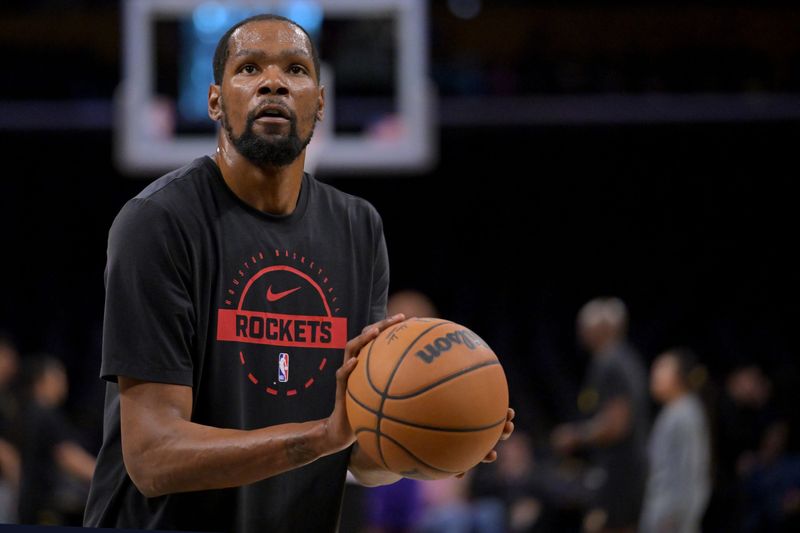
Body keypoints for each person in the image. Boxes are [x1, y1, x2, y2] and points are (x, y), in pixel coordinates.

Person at [84, 15, 513, 533]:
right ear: (215, 101)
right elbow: (153, 457)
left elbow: (358, 454)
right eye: (249, 68)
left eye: (295, 68)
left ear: (321, 102)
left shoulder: (358, 227)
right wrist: (320, 438)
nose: (274, 82)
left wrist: (442, 436)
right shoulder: (159, 221)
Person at [551, 297, 648, 533]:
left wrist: (574, 436)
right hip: (631, 468)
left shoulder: (609, 362)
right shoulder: (628, 358)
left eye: (585, 325)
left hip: (619, 470)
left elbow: (617, 425)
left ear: (603, 328)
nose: (580, 332)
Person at [13, 354, 96, 525]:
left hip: (28, 500)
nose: (64, 382)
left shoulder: (27, 412)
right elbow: (68, 456)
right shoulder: (45, 414)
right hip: (45, 506)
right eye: (58, 377)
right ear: (41, 381)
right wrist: (104, 477)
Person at [639, 348, 711, 533]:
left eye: (662, 368)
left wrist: (675, 515)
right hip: (662, 512)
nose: (655, 374)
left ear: (680, 376)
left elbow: (690, 470)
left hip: (673, 519)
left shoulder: (685, 413)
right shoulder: (672, 410)